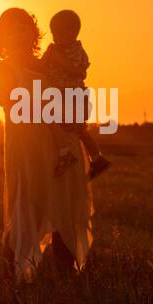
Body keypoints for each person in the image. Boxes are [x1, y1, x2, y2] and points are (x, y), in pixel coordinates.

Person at [0, 8, 93, 281]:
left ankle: (67, 274)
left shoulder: (49, 63)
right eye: (10, 29)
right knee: (26, 205)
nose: (18, 33)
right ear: (1, 37)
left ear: (33, 33)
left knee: (65, 207)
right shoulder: (3, 69)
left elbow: (73, 86)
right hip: (26, 145)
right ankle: (15, 273)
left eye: (23, 27)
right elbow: (14, 105)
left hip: (60, 141)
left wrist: (76, 111)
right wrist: (53, 105)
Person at [41, 9, 111, 180]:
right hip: (64, 94)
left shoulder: (76, 51)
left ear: (73, 33)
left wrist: (57, 58)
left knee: (53, 118)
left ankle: (65, 154)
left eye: (60, 34)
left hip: (72, 94)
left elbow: (78, 72)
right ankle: (97, 159)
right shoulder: (56, 49)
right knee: (78, 129)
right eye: (53, 34)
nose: (55, 38)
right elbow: (42, 65)